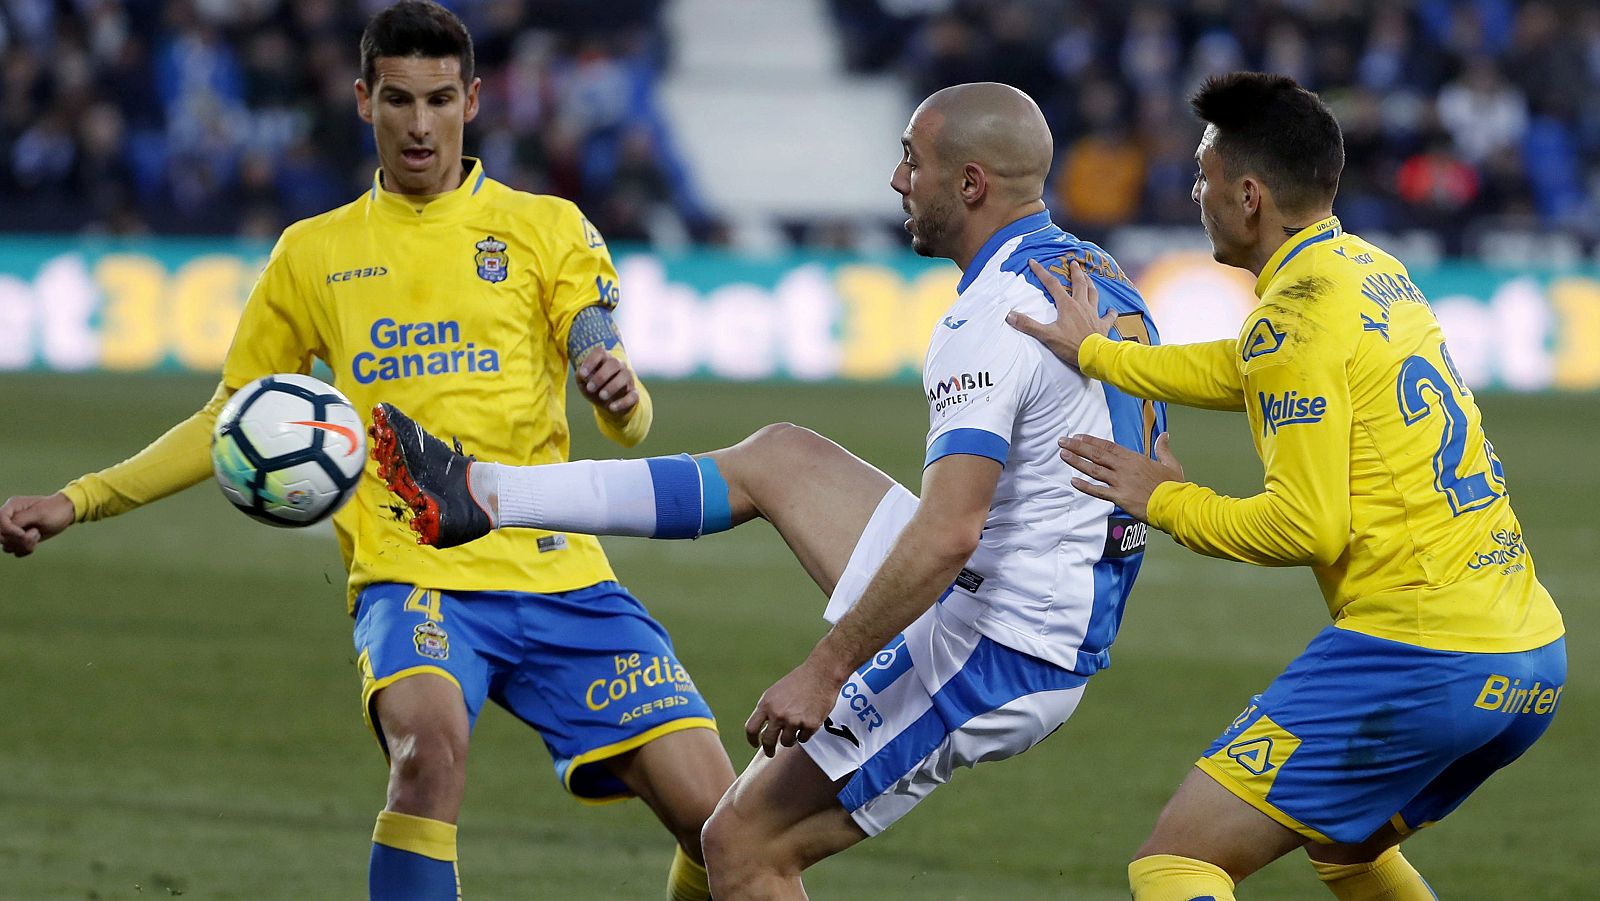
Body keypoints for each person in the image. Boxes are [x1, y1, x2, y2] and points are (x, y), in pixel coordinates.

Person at [0, 3, 736, 899]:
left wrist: (615, 384)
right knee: (427, 750)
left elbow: (618, 395)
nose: (419, 124)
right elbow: (228, 417)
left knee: (726, 826)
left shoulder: (546, 227)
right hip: (410, 569)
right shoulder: (313, 254)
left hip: (559, 570)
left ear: (472, 101)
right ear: (362, 100)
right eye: (397, 99)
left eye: (438, 99)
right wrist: (77, 499)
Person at [368, 81, 1168, 899]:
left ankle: (484, 496)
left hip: (1001, 641)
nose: (897, 181)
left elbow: (947, 534)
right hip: (1035, 592)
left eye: (911, 161)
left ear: (969, 185)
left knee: (742, 843)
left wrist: (825, 671)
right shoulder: (1096, 271)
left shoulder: (992, 317)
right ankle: (485, 495)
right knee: (777, 457)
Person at [1008, 72, 1566, 901]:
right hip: (1527, 656)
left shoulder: (1293, 317)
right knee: (1348, 850)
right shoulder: (1368, 272)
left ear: (1248, 195)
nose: (1193, 191)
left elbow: (1306, 527)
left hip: (1420, 654)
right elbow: (1241, 367)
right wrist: (1099, 354)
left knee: (1176, 861)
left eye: (1202, 175)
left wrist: (1160, 499)